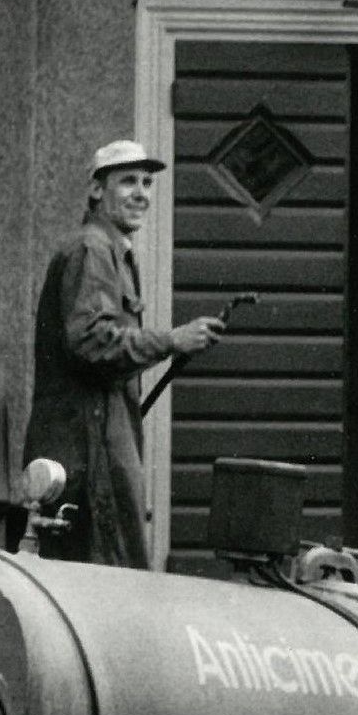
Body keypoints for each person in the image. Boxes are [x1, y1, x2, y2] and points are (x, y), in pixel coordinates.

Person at [22, 140, 222, 567]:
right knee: (104, 573)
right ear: (97, 190)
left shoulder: (113, 251)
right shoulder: (92, 249)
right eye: (128, 181)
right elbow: (91, 342)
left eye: (147, 183)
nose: (141, 193)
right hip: (87, 451)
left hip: (101, 442)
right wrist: (171, 341)